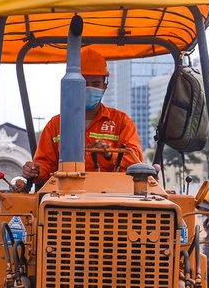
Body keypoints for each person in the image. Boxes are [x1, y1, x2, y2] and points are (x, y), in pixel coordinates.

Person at [21, 47, 142, 188]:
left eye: (95, 84)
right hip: (65, 194)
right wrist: (36, 170)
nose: (89, 88)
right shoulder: (56, 125)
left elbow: (135, 162)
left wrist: (110, 155)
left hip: (114, 194)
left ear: (105, 85)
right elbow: (45, 164)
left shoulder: (121, 122)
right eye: (84, 83)